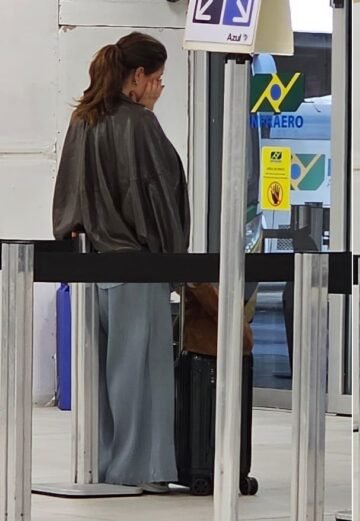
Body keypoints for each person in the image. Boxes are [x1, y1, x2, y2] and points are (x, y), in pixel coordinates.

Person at [52, 32, 190, 493]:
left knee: (103, 376)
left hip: (91, 265)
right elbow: (159, 193)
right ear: (139, 75)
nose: (160, 87)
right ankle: (143, 469)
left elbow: (69, 191)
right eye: (159, 77)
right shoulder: (139, 123)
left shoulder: (83, 119)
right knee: (143, 373)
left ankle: (106, 463)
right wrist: (175, 262)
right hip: (137, 266)